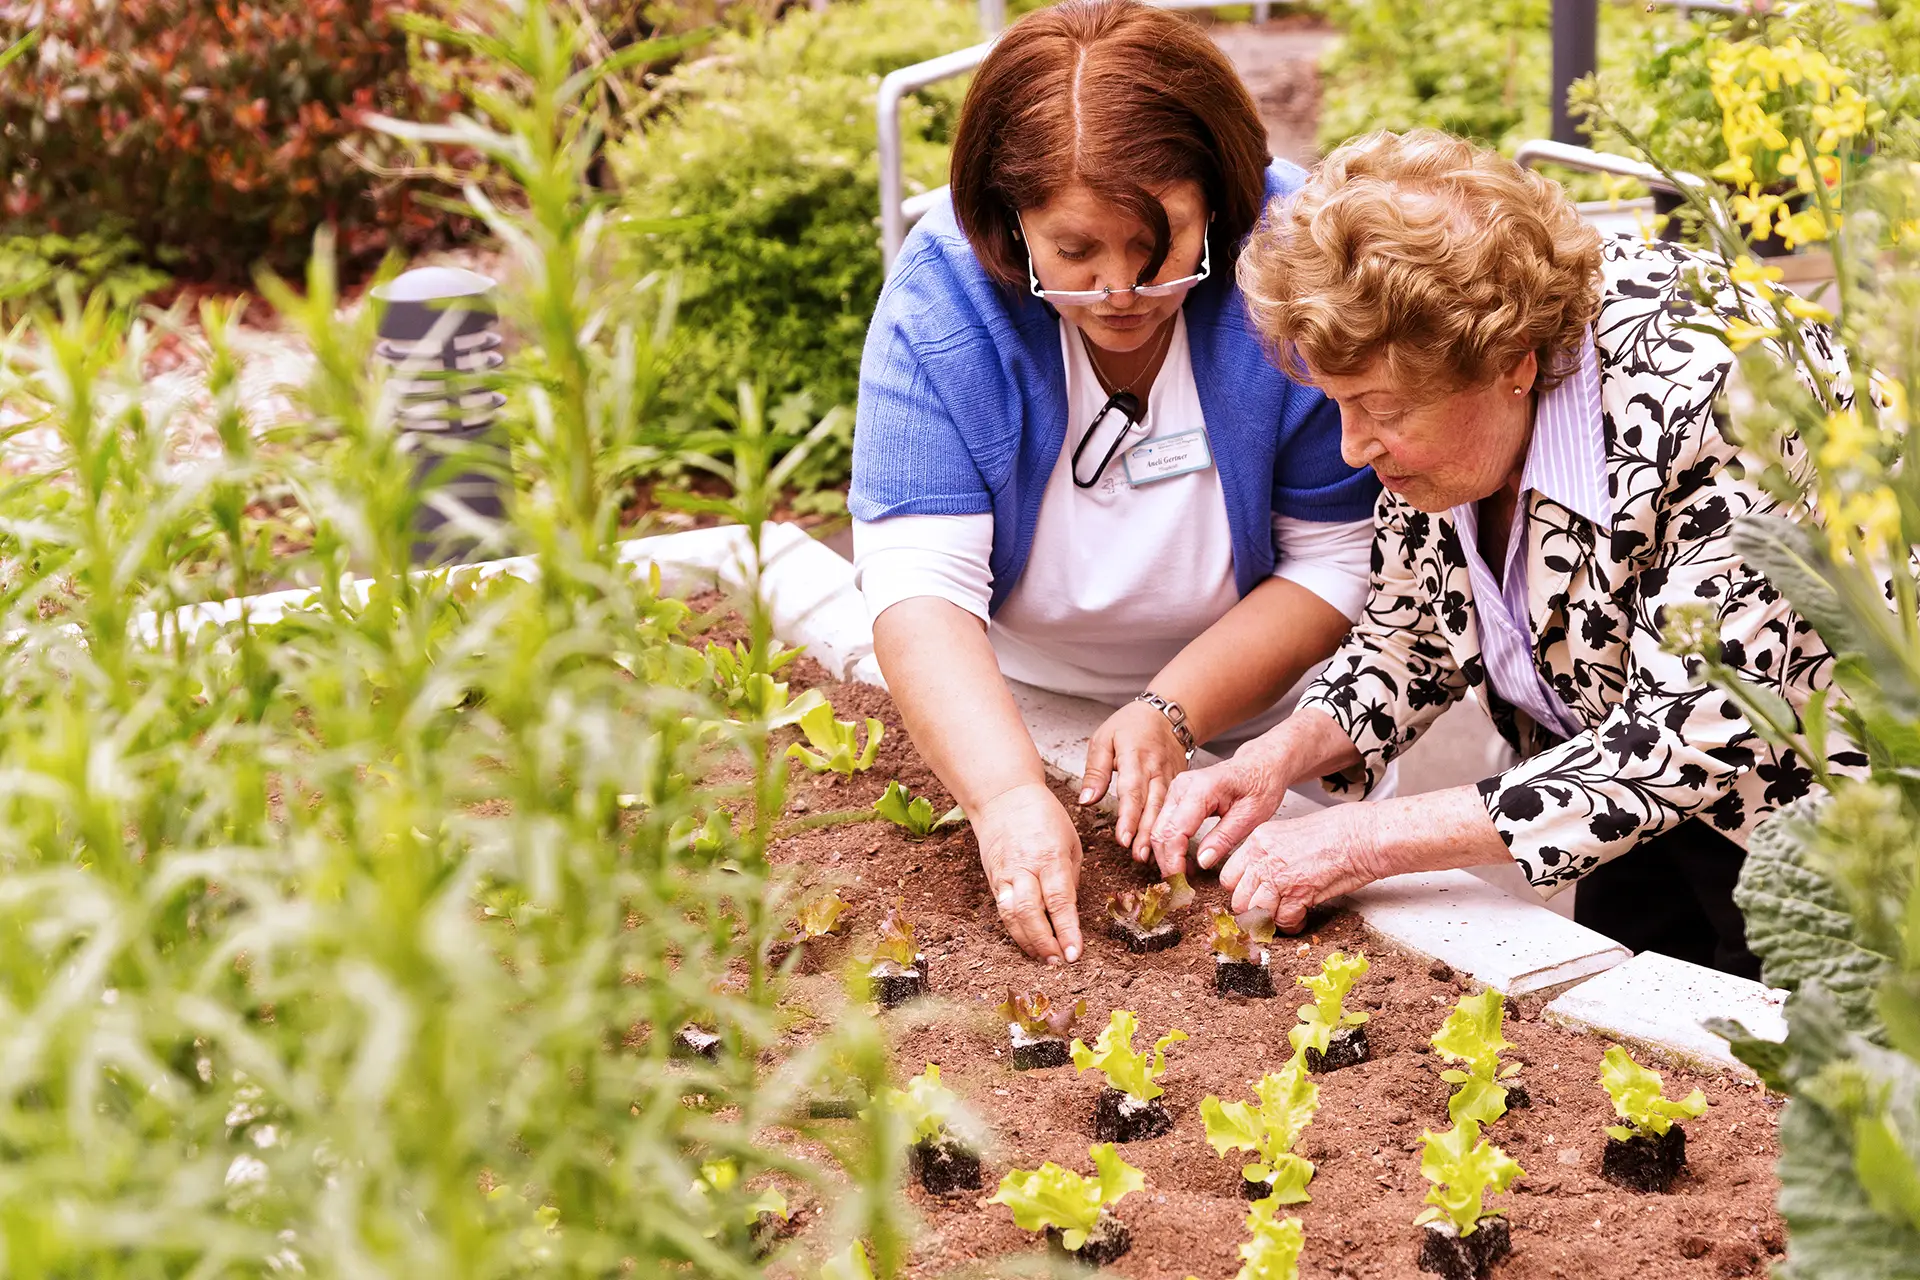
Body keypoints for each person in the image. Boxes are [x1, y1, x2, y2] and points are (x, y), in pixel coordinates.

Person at [1149, 128, 1860, 979]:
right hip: (1611, 794)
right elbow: (1410, 632)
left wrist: (1364, 839)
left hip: (1823, 816)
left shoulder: (1729, 397)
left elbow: (1687, 738)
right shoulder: (1442, 406)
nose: (1351, 448)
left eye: (1377, 408)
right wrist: (1276, 757)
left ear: (1512, 364)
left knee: (1802, 1088)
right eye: (1339, 404)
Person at [849, 0, 1379, 965]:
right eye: (1076, 252)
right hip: (1017, 699)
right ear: (1011, 226)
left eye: (1158, 246)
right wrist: (1008, 793)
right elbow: (916, 581)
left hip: (1254, 725)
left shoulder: (1294, 263)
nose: (1121, 292)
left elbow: (1336, 556)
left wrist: (1173, 708)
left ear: (1217, 202)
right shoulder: (946, 296)